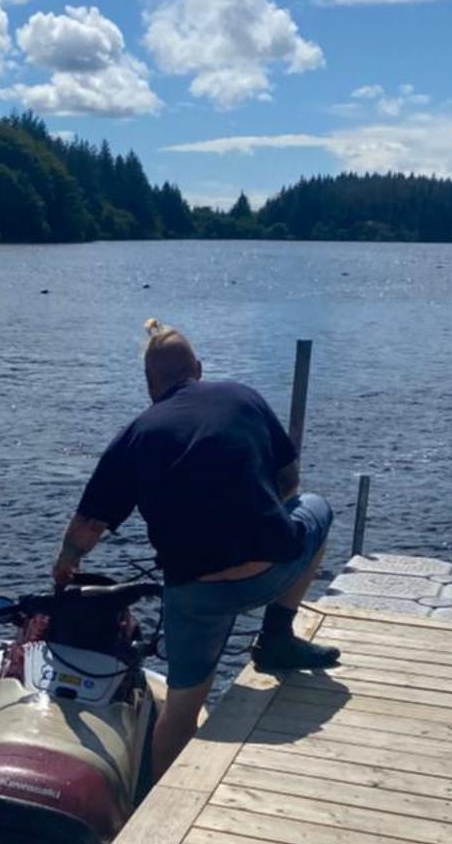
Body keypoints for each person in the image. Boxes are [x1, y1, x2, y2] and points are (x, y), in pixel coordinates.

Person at [52, 321, 339, 781]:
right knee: (316, 509)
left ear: (150, 385)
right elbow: (290, 483)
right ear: (199, 370)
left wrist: (65, 565)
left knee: (181, 712)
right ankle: (278, 637)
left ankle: (152, 812)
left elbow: (88, 525)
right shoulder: (243, 397)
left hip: (194, 593)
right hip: (270, 571)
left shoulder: (136, 434)